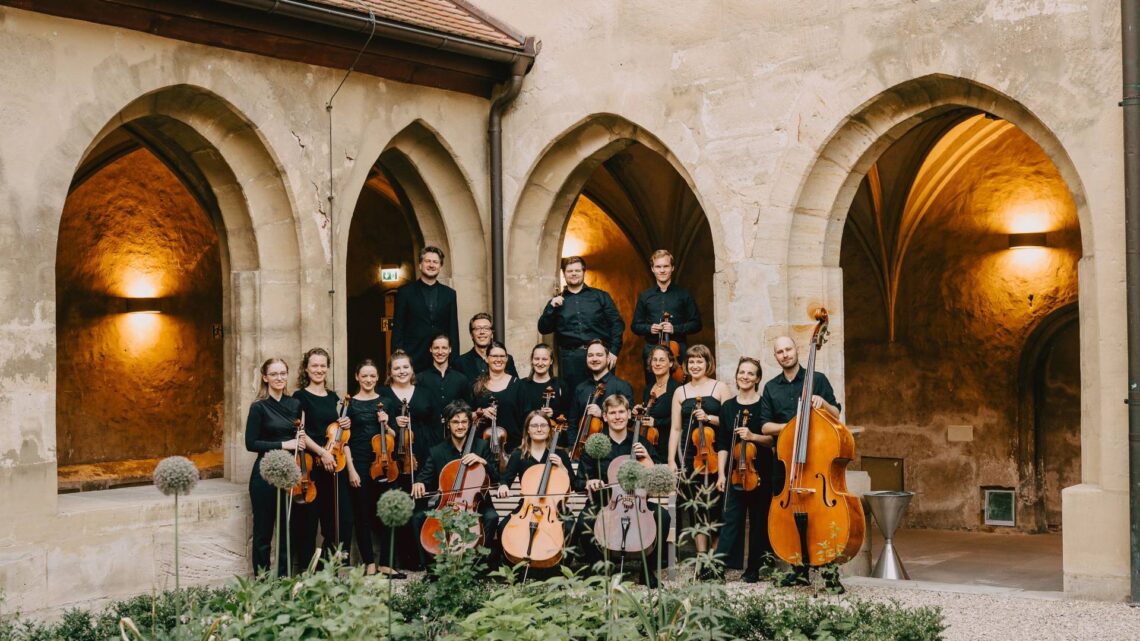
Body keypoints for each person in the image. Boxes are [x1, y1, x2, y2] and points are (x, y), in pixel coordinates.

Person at [759, 335, 843, 590]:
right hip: (786, 463)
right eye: (779, 352)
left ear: (796, 350)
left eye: (788, 349)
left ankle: (829, 570)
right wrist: (790, 427)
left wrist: (823, 403)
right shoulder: (771, 387)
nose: (785, 354)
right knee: (790, 513)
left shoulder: (817, 380)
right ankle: (799, 569)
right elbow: (764, 425)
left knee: (823, 514)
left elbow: (837, 414)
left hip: (816, 462)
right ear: (775, 357)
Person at [574, 394, 669, 584]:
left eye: (621, 412)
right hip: (604, 502)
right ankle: (598, 569)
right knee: (585, 519)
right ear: (605, 417)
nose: (617, 417)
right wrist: (589, 482)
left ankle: (647, 571)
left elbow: (660, 482)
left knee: (663, 516)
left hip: (638, 502)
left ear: (628, 415)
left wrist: (648, 460)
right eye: (612, 413)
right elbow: (577, 482)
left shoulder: (643, 443)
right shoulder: (594, 445)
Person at [411, 401, 500, 567]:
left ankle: (476, 566)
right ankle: (432, 570)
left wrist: (483, 462)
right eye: (455, 422)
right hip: (447, 505)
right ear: (448, 424)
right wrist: (419, 483)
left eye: (464, 422)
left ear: (469, 423)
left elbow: (496, 479)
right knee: (417, 518)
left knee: (491, 517)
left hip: (475, 504)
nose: (460, 426)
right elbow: (425, 475)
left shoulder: (481, 446)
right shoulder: (437, 451)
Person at [713, 357, 775, 582]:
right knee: (730, 519)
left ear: (757, 378)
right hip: (734, 472)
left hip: (761, 471)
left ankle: (753, 569)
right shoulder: (728, 407)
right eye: (742, 372)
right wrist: (721, 473)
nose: (745, 376)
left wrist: (752, 436)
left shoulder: (764, 404)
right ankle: (718, 566)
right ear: (736, 375)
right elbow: (722, 443)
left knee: (758, 521)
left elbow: (771, 440)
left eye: (750, 373)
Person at [667, 344, 730, 560]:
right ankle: (702, 558)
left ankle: (716, 557)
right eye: (691, 362)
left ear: (707, 364)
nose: (695, 365)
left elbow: (730, 422)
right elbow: (676, 429)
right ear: (685, 365)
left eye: (699, 361)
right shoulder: (680, 391)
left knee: (715, 507)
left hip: (714, 455)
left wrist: (710, 418)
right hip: (689, 456)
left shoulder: (719, 388)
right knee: (695, 508)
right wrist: (671, 461)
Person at [291, 348, 352, 569]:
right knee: (308, 523)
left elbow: (338, 432)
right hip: (312, 466)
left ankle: (326, 571)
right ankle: (308, 575)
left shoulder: (335, 397)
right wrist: (322, 453)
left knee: (340, 523)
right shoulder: (300, 397)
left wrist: (345, 424)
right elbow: (301, 432)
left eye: (322, 365)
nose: (319, 369)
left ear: (328, 367)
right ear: (306, 368)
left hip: (335, 465)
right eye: (314, 365)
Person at [245, 358, 303, 576]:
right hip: (264, 474)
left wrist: (300, 440)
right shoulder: (258, 407)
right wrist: (284, 444)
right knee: (263, 530)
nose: (279, 378)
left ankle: (284, 578)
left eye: (283, 373)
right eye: (274, 374)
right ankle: (261, 581)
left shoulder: (295, 405)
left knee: (286, 529)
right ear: (265, 377)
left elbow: (298, 435)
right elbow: (251, 443)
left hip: (288, 472)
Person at [495, 411, 576, 562]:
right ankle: (513, 566)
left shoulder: (560, 454)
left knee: (570, 526)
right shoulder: (519, 454)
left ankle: (560, 567)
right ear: (528, 430)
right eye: (534, 425)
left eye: (543, 425)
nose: (539, 429)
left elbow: (574, 483)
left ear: (549, 429)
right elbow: (506, 479)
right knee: (503, 527)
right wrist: (503, 486)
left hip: (555, 506)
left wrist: (563, 467)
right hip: (528, 506)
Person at [340, 360, 395, 576]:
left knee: (387, 512)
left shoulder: (386, 402)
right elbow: (343, 441)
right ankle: (369, 562)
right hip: (360, 463)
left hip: (384, 464)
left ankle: (385, 562)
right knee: (361, 514)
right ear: (357, 377)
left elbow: (393, 438)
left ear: (378, 377)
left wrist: (387, 423)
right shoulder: (349, 405)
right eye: (365, 376)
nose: (369, 380)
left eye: (373, 376)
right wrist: (351, 469)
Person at [537, 256, 624, 393]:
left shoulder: (600, 296)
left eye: (577, 270)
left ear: (584, 272)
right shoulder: (556, 302)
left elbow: (617, 324)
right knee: (573, 399)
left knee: (606, 397)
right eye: (570, 271)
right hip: (571, 359)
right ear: (564, 274)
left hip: (600, 356)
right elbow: (543, 328)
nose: (574, 273)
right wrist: (551, 308)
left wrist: (614, 351)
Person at [631, 250, 702, 387]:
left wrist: (675, 329)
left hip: (677, 349)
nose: (662, 270)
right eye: (658, 267)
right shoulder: (645, 296)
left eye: (665, 266)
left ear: (672, 268)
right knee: (653, 387)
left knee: (679, 388)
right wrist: (649, 328)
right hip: (652, 348)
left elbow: (697, 323)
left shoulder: (684, 294)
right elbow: (635, 326)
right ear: (652, 269)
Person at [391, 246, 460, 373]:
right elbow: (398, 327)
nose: (431, 265)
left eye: (435, 262)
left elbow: (453, 329)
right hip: (413, 358)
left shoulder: (449, 294)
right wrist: (397, 357)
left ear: (440, 266)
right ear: (420, 265)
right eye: (428, 261)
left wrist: (454, 359)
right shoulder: (405, 292)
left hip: (440, 359)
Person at [566, 339, 634, 453]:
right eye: (590, 355)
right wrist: (573, 447)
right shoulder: (580, 388)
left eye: (599, 355)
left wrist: (602, 414)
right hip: (584, 451)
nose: (594, 359)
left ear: (608, 358)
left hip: (615, 450)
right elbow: (572, 423)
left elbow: (630, 420)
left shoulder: (622, 386)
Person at [470, 342, 525, 458]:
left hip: (512, 448)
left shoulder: (517, 385)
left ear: (506, 358)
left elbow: (525, 417)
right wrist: (480, 413)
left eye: (502, 356)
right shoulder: (477, 386)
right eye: (494, 356)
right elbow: (468, 415)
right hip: (482, 449)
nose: (498, 359)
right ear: (486, 358)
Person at [637, 345, 680, 460]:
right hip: (649, 442)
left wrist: (656, 422)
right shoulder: (648, 388)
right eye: (654, 360)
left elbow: (680, 419)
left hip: (667, 445)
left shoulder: (676, 389)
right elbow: (648, 415)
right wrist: (641, 412)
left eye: (662, 360)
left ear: (670, 363)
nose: (657, 363)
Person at [417, 334, 472, 420]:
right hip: (429, 430)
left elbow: (468, 410)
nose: (440, 352)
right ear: (430, 349)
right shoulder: (420, 379)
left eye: (444, 348)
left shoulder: (461, 379)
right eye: (436, 348)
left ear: (450, 349)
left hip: (455, 430)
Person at [456, 313, 519, 381]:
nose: (482, 332)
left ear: (492, 334)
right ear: (471, 335)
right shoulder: (460, 363)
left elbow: (516, 386)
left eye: (486, 328)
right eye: (477, 328)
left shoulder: (506, 359)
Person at [517, 343, 570, 421]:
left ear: (551, 361)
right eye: (536, 359)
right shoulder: (521, 384)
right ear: (532, 360)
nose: (540, 363)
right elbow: (517, 414)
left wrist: (554, 414)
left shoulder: (560, 385)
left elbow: (568, 413)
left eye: (544, 359)